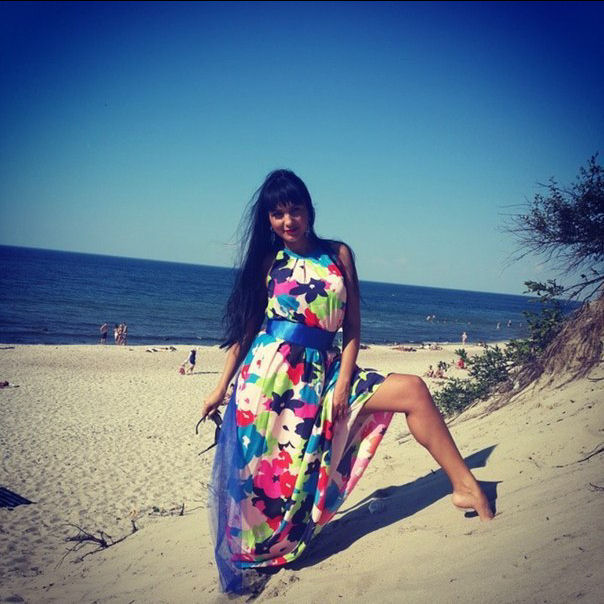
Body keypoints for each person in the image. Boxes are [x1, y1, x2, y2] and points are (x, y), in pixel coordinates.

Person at [200, 170, 492, 594]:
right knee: (268, 477)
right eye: (278, 213)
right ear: (268, 220)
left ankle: (466, 486)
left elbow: (352, 326)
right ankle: (260, 554)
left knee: (413, 390)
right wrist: (220, 388)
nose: (288, 220)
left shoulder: (338, 254)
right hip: (268, 383)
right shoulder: (268, 262)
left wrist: (341, 387)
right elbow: (246, 332)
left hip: (328, 371)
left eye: (295, 209)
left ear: (309, 210)